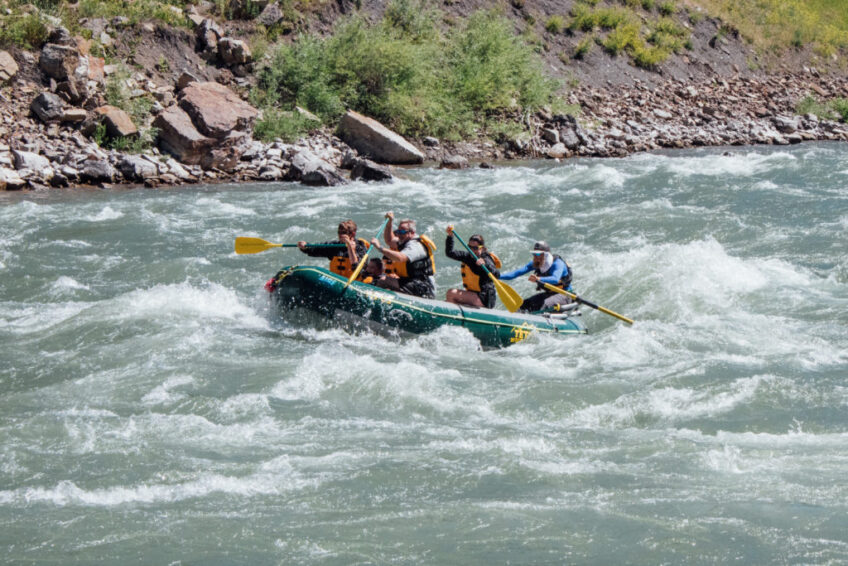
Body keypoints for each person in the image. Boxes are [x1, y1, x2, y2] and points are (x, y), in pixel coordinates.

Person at [369, 212, 437, 299]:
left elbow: (400, 258)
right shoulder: (404, 241)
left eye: (402, 232)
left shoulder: (415, 246)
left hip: (422, 286)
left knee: (384, 281)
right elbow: (389, 240)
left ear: (412, 232)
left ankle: (373, 303)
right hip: (409, 282)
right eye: (398, 231)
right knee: (385, 284)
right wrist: (390, 223)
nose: (399, 235)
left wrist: (379, 248)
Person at [498, 241, 573, 313]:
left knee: (544, 305)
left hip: (565, 295)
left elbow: (555, 279)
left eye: (537, 254)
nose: (535, 256)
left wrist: (538, 279)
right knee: (523, 305)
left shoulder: (557, 264)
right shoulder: (537, 263)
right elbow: (516, 273)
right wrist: (498, 276)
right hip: (550, 294)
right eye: (534, 253)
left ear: (546, 255)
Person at [444, 225, 501, 308]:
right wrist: (450, 236)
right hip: (473, 296)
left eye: (475, 248)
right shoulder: (468, 257)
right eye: (469, 247)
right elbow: (450, 253)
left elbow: (497, 274)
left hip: (484, 298)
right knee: (447, 301)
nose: (472, 250)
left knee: (451, 293)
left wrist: (485, 264)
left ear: (482, 248)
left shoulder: (486, 258)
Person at [297, 219, 370, 279]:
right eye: (339, 232)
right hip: (337, 282)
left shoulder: (360, 247)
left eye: (344, 233)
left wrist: (350, 247)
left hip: (355, 283)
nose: (340, 235)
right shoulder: (335, 246)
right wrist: (305, 247)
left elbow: (357, 267)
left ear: (353, 234)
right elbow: (315, 249)